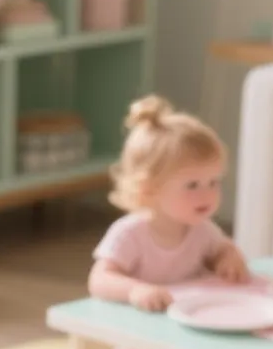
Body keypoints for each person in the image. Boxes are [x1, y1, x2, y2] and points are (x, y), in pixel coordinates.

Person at [88, 95, 249, 314]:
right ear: (149, 189)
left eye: (213, 182)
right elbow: (99, 280)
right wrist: (136, 290)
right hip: (140, 325)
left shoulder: (202, 229)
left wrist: (229, 258)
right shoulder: (131, 233)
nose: (208, 193)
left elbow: (221, 249)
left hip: (184, 321)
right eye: (192, 185)